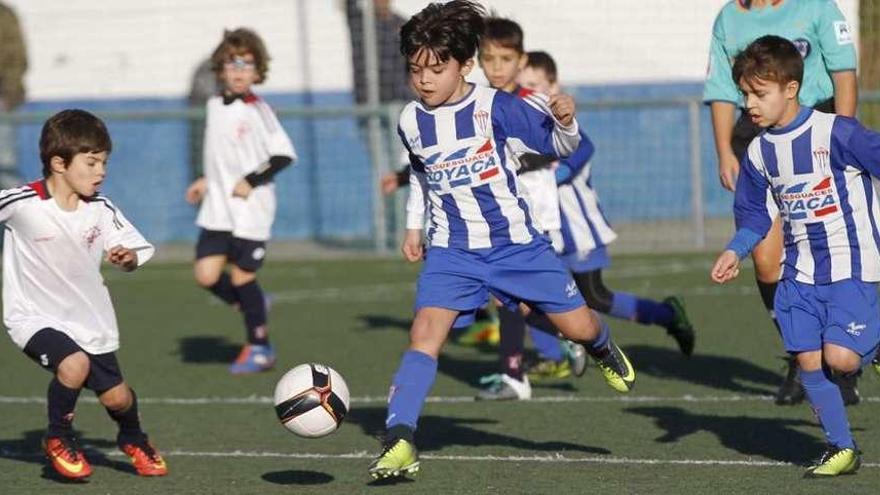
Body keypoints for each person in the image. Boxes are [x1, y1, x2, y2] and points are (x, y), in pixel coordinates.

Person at [367, 1, 636, 479]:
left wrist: (567, 120)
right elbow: (422, 175)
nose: (424, 79)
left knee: (578, 327)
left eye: (436, 69)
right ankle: (400, 438)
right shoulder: (411, 119)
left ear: (464, 65)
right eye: (415, 70)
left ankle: (601, 347)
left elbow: (559, 147)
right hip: (452, 250)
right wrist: (414, 225)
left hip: (517, 247)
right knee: (425, 334)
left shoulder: (497, 107)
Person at [474, 23, 694, 400]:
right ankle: (530, 366)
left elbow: (579, 146)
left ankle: (661, 316)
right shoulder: (478, 105)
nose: (496, 67)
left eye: (505, 59)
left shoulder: (532, 102)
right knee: (514, 295)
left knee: (593, 298)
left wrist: (536, 166)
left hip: (571, 223)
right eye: (488, 58)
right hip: (519, 224)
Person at [711, 35, 879, 478]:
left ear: (790, 88)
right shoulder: (759, 152)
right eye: (745, 93)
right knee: (807, 359)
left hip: (854, 263)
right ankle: (841, 449)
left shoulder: (835, 132)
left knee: (841, 359)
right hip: (799, 272)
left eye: (758, 93)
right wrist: (736, 250)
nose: (749, 103)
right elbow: (752, 215)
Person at [704, 0, 858, 405]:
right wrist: (724, 150)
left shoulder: (817, 7)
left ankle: (843, 356)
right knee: (768, 262)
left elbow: (843, 71)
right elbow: (722, 90)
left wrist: (839, 138)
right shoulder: (729, 18)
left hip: (815, 133)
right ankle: (800, 353)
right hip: (757, 139)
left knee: (829, 249)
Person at [2, 109, 167, 479]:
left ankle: (133, 437)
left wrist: (126, 259)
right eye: (91, 163)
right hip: (32, 317)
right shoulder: (22, 202)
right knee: (73, 364)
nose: (101, 172)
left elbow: (136, 249)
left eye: (103, 162)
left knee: (117, 397)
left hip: (90, 321)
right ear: (59, 163)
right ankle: (58, 438)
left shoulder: (101, 209)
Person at [185, 28, 296, 374]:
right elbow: (223, 156)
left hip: (251, 210)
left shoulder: (259, 110)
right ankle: (255, 305)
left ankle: (260, 347)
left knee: (242, 278)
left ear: (258, 71)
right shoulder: (214, 105)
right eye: (232, 64)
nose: (239, 71)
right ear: (220, 69)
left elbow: (283, 155)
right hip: (218, 207)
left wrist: (251, 180)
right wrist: (207, 180)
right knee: (206, 275)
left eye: (247, 65)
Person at [0, 2, 27, 188]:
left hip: (2, 97)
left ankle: (17, 215)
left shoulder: (4, 16)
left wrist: (8, 94)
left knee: (5, 165)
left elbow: (17, 58)